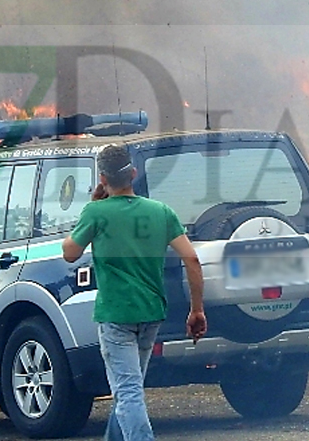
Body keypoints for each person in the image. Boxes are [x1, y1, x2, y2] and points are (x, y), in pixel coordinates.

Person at [63, 144, 206, 441]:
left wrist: (92, 207)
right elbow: (192, 259)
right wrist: (196, 309)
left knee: (127, 391)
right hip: (151, 313)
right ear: (134, 173)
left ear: (102, 178)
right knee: (129, 389)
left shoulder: (95, 212)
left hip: (115, 315)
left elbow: (70, 253)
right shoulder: (161, 212)